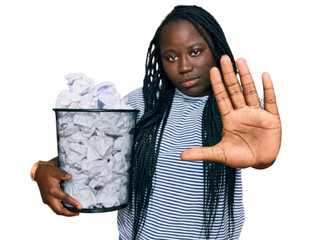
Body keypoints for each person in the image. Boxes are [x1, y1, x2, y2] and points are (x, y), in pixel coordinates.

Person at [31, 5, 281, 239]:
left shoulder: (241, 111)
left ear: (216, 50)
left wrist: (263, 161)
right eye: (171, 57)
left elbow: (256, 151)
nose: (184, 66)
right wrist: (40, 169)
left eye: (195, 52)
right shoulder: (140, 103)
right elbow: (94, 154)